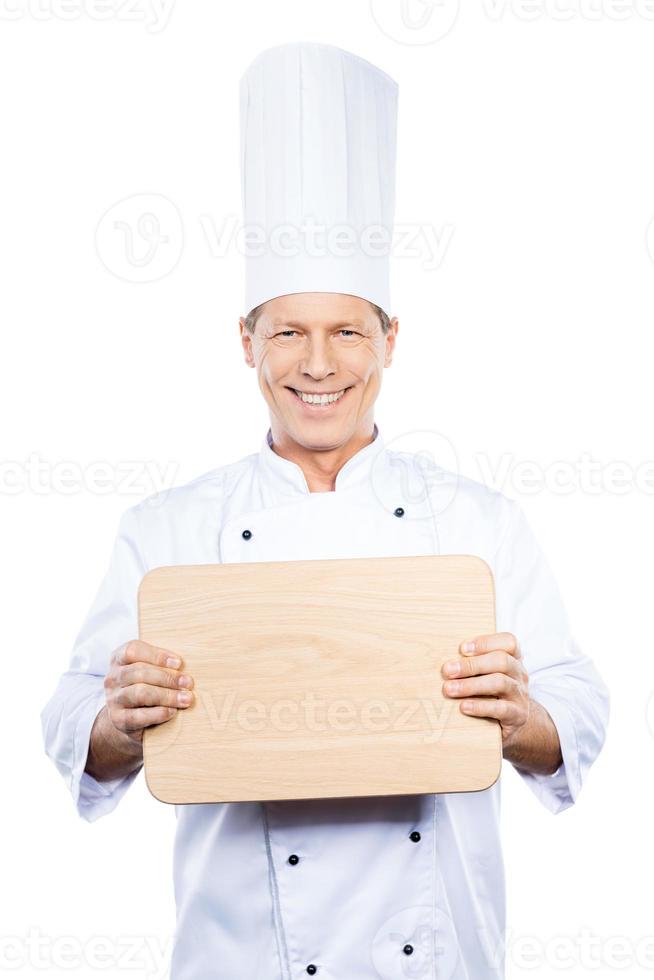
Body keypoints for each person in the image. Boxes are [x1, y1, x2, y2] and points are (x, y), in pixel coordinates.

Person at [40, 43, 609, 980]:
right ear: (245, 343)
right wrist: (117, 724)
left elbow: (579, 712)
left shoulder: (479, 521)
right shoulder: (168, 527)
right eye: (287, 332)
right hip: (240, 959)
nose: (318, 364)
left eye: (347, 330)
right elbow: (72, 724)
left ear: (391, 340)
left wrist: (520, 717)